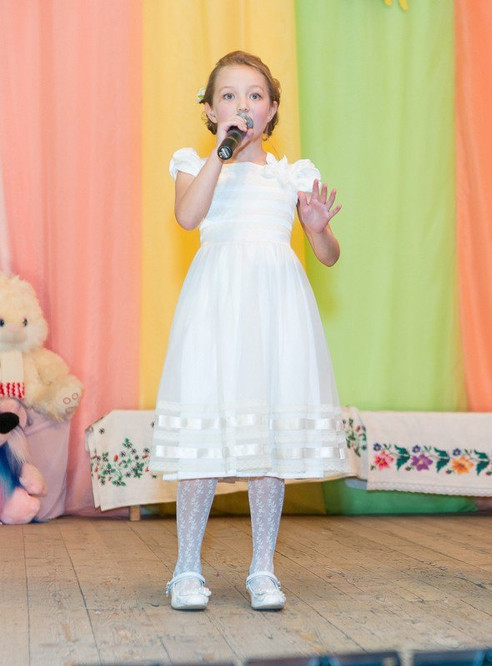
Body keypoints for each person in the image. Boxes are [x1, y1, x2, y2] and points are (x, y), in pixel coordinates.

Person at [150, 51, 349, 612]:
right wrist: (221, 154)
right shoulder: (193, 163)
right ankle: (186, 568)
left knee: (268, 439)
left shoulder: (292, 174)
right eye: (230, 96)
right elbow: (188, 217)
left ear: (273, 109)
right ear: (211, 110)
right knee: (204, 437)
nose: (243, 105)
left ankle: (263, 568)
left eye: (255, 95)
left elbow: (329, 256)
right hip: (216, 308)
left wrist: (318, 229)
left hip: (274, 310)